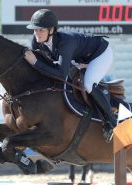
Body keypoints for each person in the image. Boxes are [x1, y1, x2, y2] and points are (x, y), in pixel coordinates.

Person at [24, 9, 116, 142]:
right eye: (35, 30)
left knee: (88, 84)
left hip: (100, 54)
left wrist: (35, 62)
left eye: (41, 30)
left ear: (51, 30)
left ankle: (111, 121)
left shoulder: (65, 42)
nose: (37, 33)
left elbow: (61, 75)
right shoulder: (36, 41)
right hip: (80, 58)